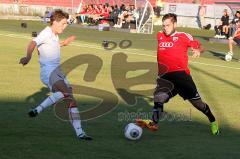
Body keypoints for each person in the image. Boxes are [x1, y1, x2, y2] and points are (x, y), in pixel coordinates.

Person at [136, 13, 220, 135]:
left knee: (198, 104)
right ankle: (153, 123)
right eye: (163, 25)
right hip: (165, 77)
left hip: (182, 77)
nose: (165, 28)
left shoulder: (183, 36)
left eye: (168, 25)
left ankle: (212, 120)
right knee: (158, 98)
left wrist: (197, 50)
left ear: (175, 24)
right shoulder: (159, 35)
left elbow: (201, 47)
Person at [19, 9, 92, 140]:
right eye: (63, 24)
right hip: (49, 71)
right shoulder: (46, 32)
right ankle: (40, 109)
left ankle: (80, 133)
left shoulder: (54, 35)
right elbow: (33, 43)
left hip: (58, 71)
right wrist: (28, 57)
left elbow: (52, 45)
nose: (65, 27)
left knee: (70, 99)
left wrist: (64, 43)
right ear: (56, 22)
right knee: (67, 94)